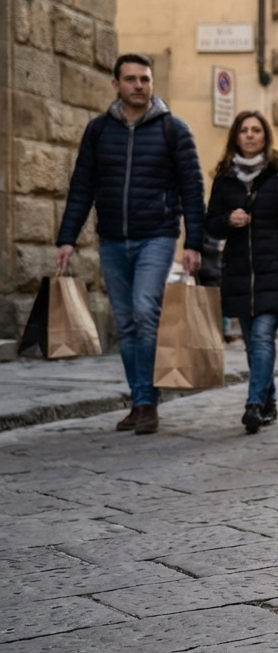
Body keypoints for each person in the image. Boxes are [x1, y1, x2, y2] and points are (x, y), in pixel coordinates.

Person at [55, 53, 206, 435]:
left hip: (157, 235)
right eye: (131, 79)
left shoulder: (174, 129)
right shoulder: (98, 131)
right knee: (125, 324)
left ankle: (147, 403)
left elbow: (192, 188)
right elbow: (81, 187)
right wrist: (66, 238)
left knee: (144, 312)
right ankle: (139, 399)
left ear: (152, 83)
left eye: (145, 79)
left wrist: (194, 242)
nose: (139, 85)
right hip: (112, 240)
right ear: (116, 85)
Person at [205, 111, 278, 434]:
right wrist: (229, 219)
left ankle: (253, 404)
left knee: (264, 336)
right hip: (239, 271)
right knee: (254, 342)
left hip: (276, 270)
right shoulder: (224, 177)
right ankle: (269, 402)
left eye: (256, 130)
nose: (250, 135)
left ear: (266, 136)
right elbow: (210, 223)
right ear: (236, 137)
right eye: (244, 130)